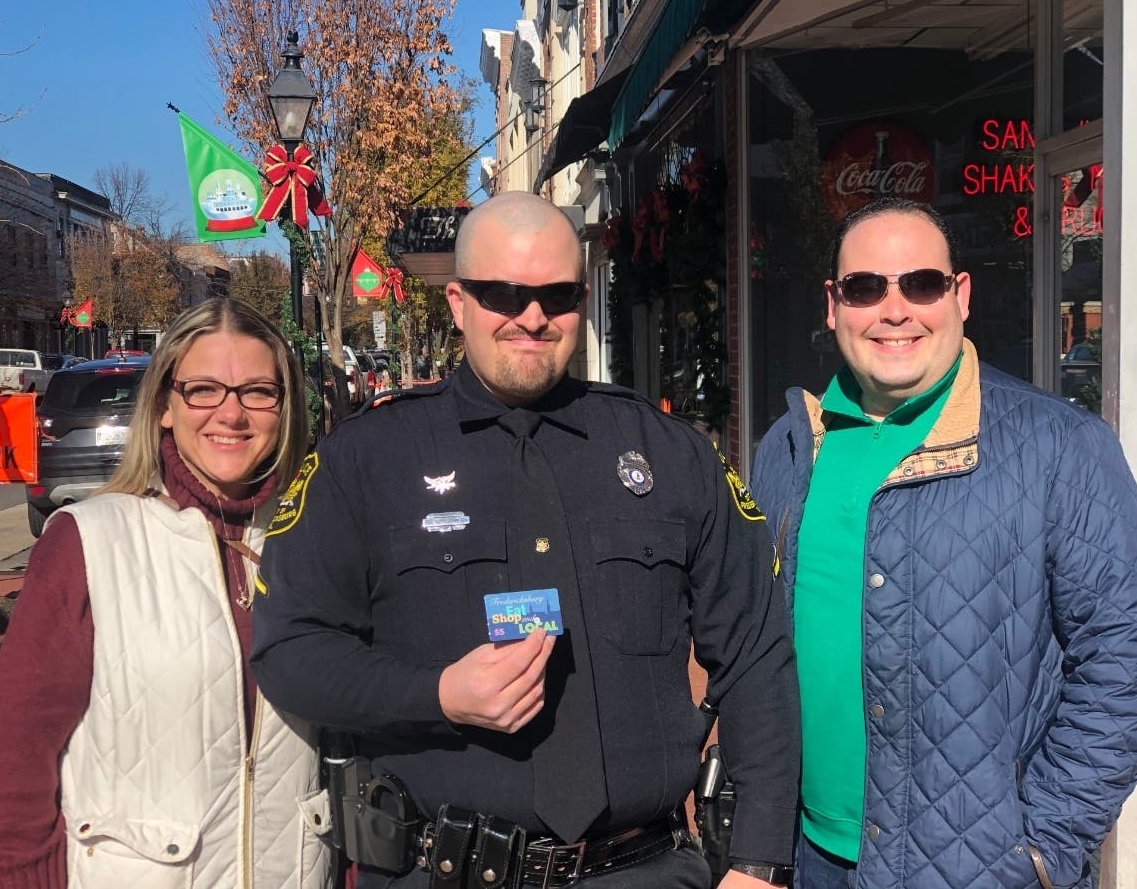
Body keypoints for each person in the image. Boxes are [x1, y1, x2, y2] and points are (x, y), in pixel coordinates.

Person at [250, 192, 800, 889]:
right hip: (441, 870)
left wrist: (757, 860)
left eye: (558, 296)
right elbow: (290, 649)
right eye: (504, 294)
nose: (533, 317)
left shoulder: (671, 456)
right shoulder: (363, 461)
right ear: (457, 302)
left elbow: (757, 652)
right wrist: (437, 694)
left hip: (642, 871)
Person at [750, 196, 1137, 889]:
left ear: (960, 295)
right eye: (866, 287)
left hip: (980, 871)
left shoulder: (1059, 449)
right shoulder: (787, 450)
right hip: (809, 860)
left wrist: (1043, 847)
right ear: (833, 305)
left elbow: (1125, 658)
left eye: (921, 283)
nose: (894, 309)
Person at [0, 298, 334, 888]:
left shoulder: (315, 539)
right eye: (204, 389)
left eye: (257, 391)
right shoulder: (88, 543)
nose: (232, 413)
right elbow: (19, 765)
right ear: (167, 406)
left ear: (284, 408)